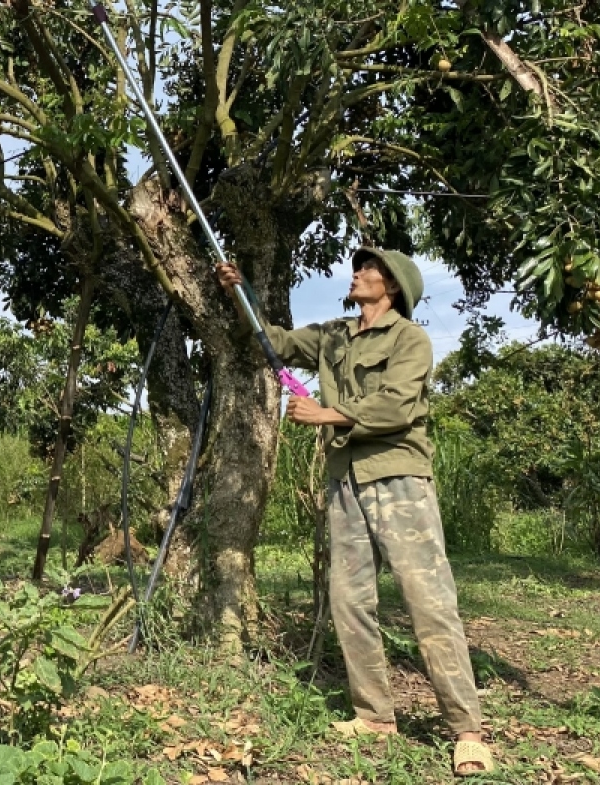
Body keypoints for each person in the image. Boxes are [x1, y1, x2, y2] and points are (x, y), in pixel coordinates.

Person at [217, 249, 495, 777]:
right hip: (343, 479)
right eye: (359, 267)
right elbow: (272, 341)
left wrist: (326, 413)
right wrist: (240, 291)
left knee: (429, 603)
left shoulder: (409, 339)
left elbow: (396, 406)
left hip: (399, 477)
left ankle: (467, 730)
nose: (357, 273)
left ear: (391, 285)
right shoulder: (334, 334)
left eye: (369, 269)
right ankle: (375, 716)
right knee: (350, 601)